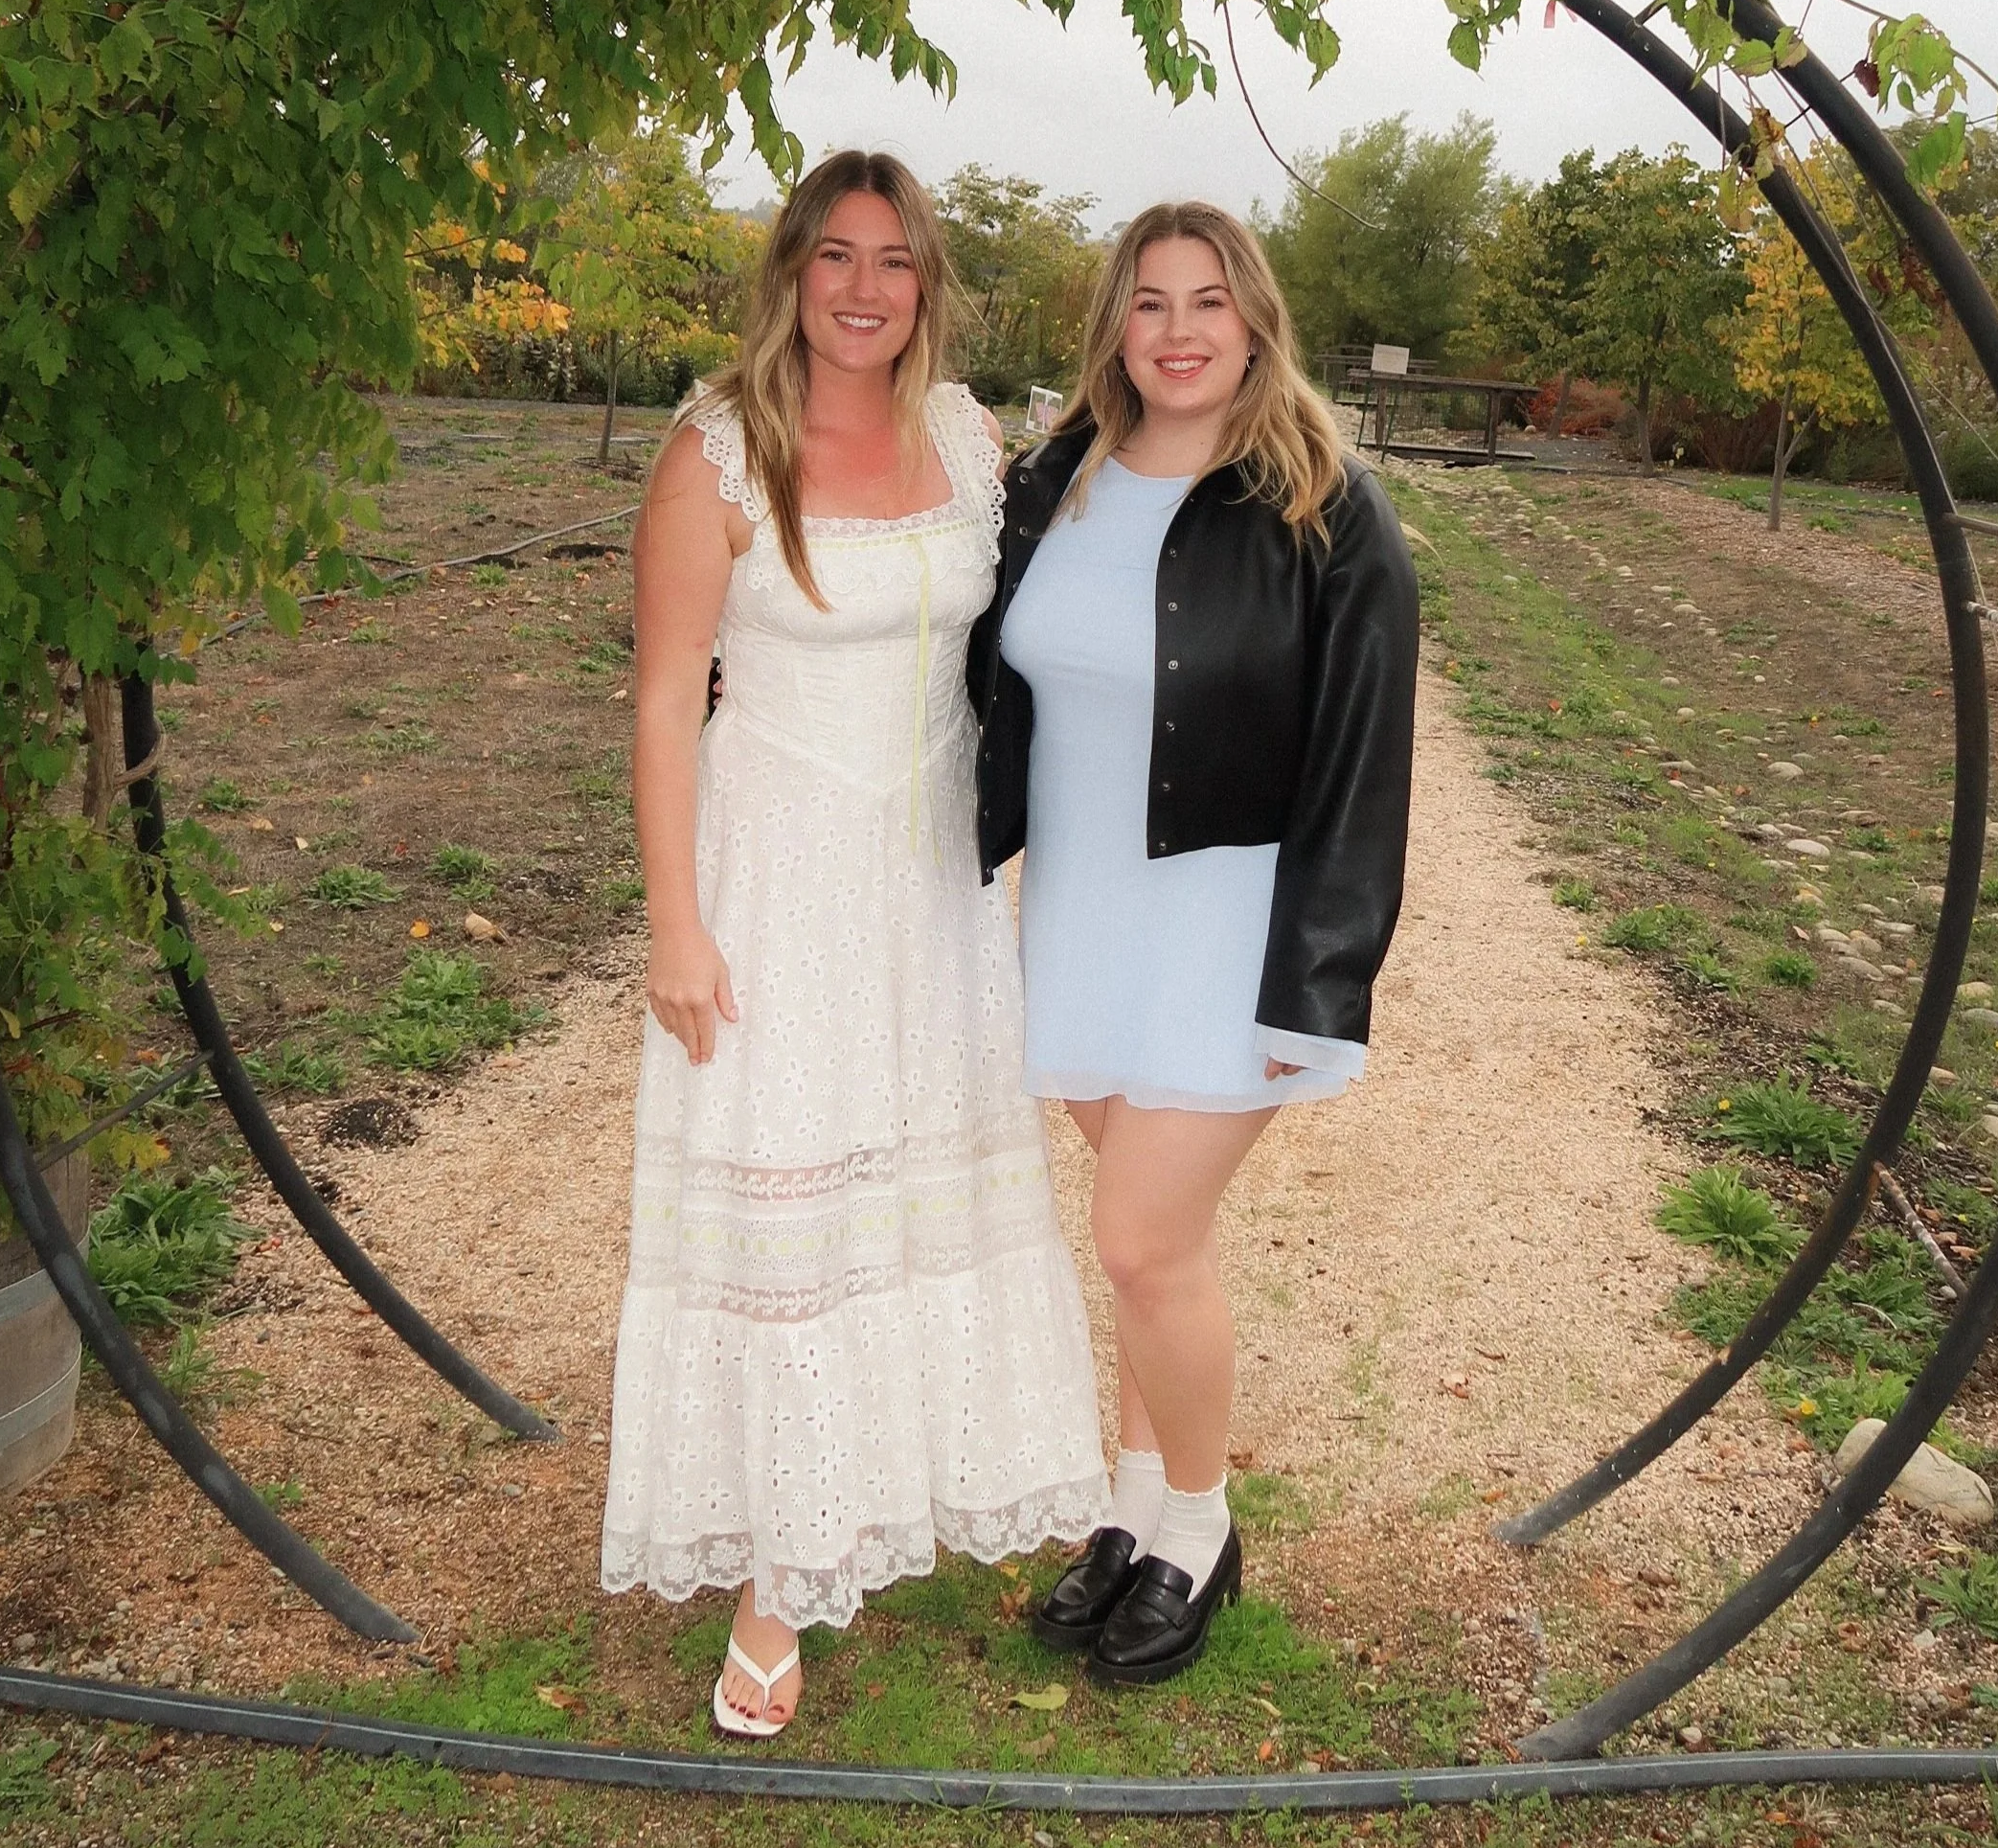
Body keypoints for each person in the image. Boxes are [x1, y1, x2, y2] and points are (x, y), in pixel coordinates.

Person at [602, 148, 1108, 1739]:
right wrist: (676, 923)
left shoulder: (968, 435)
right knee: (795, 1210)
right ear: (792, 273)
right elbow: (664, 700)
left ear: (926, 284)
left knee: (911, 1191)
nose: (865, 288)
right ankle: (777, 1577)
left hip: (930, 886)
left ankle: (892, 1483)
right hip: (777, 882)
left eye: (894, 260)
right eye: (836, 256)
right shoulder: (717, 453)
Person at [970, 200, 1419, 1685]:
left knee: (1141, 1239)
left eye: (1208, 300)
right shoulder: (1055, 478)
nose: (1177, 329)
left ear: (1254, 319)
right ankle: (1132, 1509)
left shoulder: (1325, 506)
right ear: (1116, 324)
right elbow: (966, 653)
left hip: (1226, 927)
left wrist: (1319, 985)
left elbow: (1364, 761)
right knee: (1152, 1249)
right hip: (1081, 912)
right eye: (1150, 300)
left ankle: (1202, 1529)